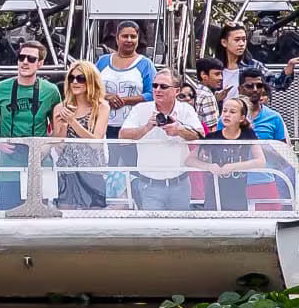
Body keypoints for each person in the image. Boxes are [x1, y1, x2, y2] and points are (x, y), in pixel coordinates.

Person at [0, 40, 63, 209]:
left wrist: (45, 147)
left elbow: (58, 130)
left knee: (41, 215)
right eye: (21, 57)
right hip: (9, 162)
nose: (25, 62)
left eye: (31, 59)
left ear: (40, 64)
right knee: (8, 213)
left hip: (40, 162)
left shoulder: (51, 91)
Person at [119, 68, 203, 210]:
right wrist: (146, 127)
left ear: (176, 91)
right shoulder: (141, 109)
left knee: (180, 230)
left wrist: (179, 130)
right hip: (149, 185)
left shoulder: (186, 110)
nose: (157, 90)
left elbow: (200, 135)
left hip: (180, 184)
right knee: (153, 231)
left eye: (163, 86)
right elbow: (122, 135)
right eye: (154, 86)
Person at [95, 20, 155, 172]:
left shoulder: (145, 64)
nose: (129, 40)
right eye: (125, 36)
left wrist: (126, 101)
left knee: (132, 170)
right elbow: (91, 89)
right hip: (105, 126)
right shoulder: (102, 62)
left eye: (133, 36)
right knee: (107, 168)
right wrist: (107, 97)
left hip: (132, 127)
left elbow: (152, 94)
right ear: (117, 38)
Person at [51, 60, 111, 210]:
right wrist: (63, 126)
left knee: (94, 221)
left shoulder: (101, 107)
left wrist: (72, 121)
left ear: (91, 80)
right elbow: (59, 147)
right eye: (72, 78)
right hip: (67, 170)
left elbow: (95, 143)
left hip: (92, 170)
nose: (75, 82)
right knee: (65, 219)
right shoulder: (60, 107)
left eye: (81, 78)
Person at [186, 97, 264, 210]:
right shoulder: (213, 137)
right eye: (224, 111)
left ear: (242, 118)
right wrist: (209, 166)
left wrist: (233, 166)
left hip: (238, 195)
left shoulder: (248, 135)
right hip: (215, 194)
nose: (227, 115)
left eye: (232, 112)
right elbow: (189, 160)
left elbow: (261, 161)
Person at [235, 68, 292, 210]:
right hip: (233, 181)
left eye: (259, 85)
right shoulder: (227, 117)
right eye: (249, 86)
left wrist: (261, 144)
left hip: (265, 180)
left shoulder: (274, 118)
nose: (255, 89)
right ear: (240, 89)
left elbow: (285, 155)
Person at [217, 21, 299, 99]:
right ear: (224, 42)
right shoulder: (215, 68)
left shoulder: (254, 66)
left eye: (244, 40)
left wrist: (290, 66)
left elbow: (277, 84)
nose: (241, 44)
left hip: (249, 118)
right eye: (237, 40)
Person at [192, 57, 224, 130]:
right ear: (203, 75)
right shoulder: (207, 95)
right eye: (217, 74)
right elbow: (212, 129)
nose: (221, 78)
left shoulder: (195, 89)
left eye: (221, 74)